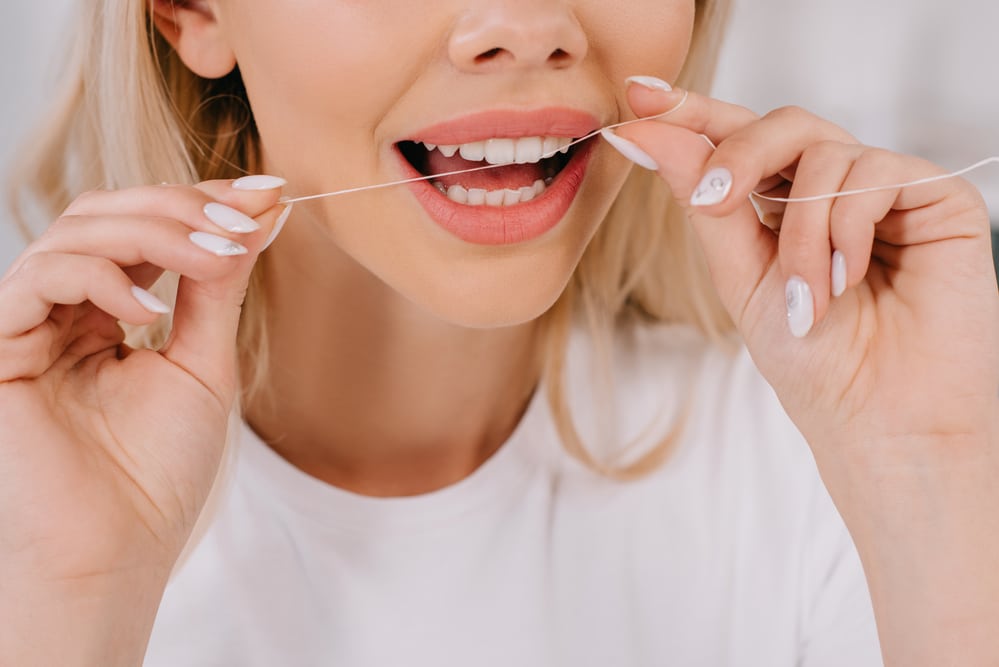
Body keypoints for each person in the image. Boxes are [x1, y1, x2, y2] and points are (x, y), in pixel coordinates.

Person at [1, 0, 996, 665]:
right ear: (192, 10)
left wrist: (931, 482)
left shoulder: (830, 469)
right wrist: (68, 603)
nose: (525, 28)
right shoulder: (46, 511)